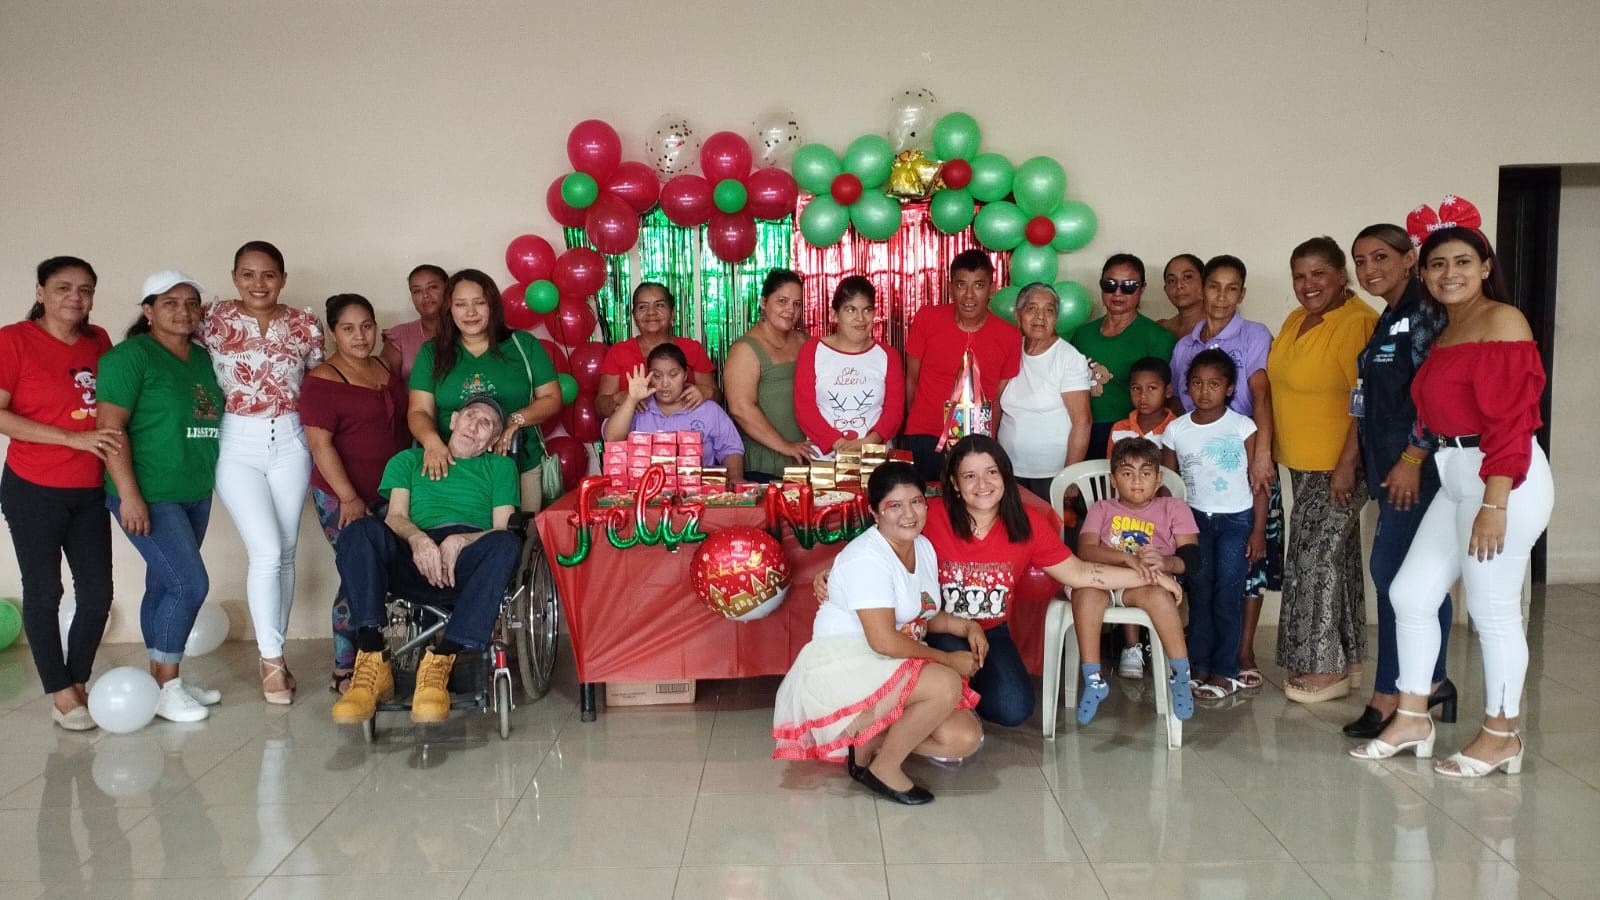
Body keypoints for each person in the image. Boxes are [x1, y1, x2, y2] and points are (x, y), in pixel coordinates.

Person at [1350, 226, 1553, 778]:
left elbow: (1512, 422)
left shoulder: (1504, 322)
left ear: (1485, 267)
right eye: (1438, 265)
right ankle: (1413, 716)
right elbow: (1433, 414)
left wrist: (1495, 504)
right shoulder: (1445, 329)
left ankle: (1501, 735)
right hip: (1456, 472)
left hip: (1503, 478)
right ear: (1424, 272)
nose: (1450, 274)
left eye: (1463, 262)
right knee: (1410, 593)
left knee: (1492, 611)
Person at [920, 435, 1183, 726]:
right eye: (970, 476)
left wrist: (1153, 578)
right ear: (955, 483)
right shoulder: (931, 518)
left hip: (992, 630)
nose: (983, 484)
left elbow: (1079, 573)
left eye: (991, 472)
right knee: (949, 672)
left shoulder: (1026, 521)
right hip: (939, 628)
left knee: (1014, 709)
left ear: (1005, 475)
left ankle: (961, 694)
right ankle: (947, 699)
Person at [772, 461, 985, 806]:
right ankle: (884, 767)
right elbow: (883, 640)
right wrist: (949, 660)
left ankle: (866, 738)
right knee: (945, 682)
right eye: (894, 505)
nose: (909, 514)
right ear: (874, 512)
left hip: (890, 660)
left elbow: (924, 614)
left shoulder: (923, 547)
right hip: (850, 663)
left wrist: (968, 626)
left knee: (964, 737)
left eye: (916, 502)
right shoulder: (866, 558)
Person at [331, 396, 524, 725]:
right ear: (453, 421)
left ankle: (441, 662)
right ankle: (372, 657)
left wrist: (461, 540)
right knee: (358, 532)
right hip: (412, 555)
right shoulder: (408, 460)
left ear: (493, 440)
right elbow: (395, 517)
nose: (474, 426)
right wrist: (419, 540)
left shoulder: (500, 467)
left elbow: (501, 527)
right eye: (470, 416)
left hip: (469, 560)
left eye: (486, 424)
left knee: (507, 543)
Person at [1343, 224, 1456, 739]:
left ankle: (1392, 689)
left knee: (1391, 573)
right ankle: (1433, 680)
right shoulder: (1390, 316)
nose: (1369, 270)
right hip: (1389, 466)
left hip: (1418, 470)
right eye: (1361, 261)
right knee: (1418, 578)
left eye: (1380, 257)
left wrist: (1412, 457)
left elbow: (1437, 394)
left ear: (1410, 258)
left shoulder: (1427, 312)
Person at [199, 241, 324, 705]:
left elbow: (318, 384)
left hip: (291, 439)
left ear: (283, 279)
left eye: (268, 274)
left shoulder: (306, 324)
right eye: (248, 274)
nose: (258, 283)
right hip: (237, 442)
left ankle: (276, 652)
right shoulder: (211, 319)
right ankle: (270, 662)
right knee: (267, 550)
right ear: (234, 277)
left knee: (286, 552)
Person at [98, 271, 225, 722]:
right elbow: (110, 429)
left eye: (191, 303)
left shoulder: (203, 358)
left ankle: (159, 682)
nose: (183, 311)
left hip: (194, 491)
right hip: (149, 493)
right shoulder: (130, 357)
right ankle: (169, 686)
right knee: (189, 585)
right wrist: (129, 495)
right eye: (170, 303)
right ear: (148, 311)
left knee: (163, 583)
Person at [0, 257, 119, 730]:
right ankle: (61, 692)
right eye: (63, 287)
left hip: (90, 489)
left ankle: (79, 679)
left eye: (85, 289)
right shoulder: (14, 340)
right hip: (33, 488)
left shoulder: (99, 340)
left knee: (97, 593)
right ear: (40, 292)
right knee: (45, 590)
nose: (75, 297)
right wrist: (71, 439)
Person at [1268, 237, 1379, 704]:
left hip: (1339, 464)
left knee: (1311, 559)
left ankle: (1321, 667)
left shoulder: (1358, 323)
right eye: (1299, 275)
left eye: (1318, 274)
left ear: (1341, 275)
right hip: (1304, 462)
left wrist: (1347, 464)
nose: (1308, 284)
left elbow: (1365, 399)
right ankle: (1348, 660)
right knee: (1339, 557)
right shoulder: (1297, 319)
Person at [1166, 255, 1282, 689]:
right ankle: (1202, 661)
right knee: (1203, 584)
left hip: (1245, 465)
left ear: (1242, 294)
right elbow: (1178, 407)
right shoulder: (1185, 346)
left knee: (1239, 578)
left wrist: (1263, 453)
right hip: (1199, 492)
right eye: (1213, 286)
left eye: (1232, 288)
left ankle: (1238, 656)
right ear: (1202, 289)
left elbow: (1261, 395)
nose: (1220, 297)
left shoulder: (1254, 334)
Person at [302, 294, 410, 695]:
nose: (360, 336)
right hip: (343, 495)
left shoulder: (383, 367)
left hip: (393, 491)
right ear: (334, 333)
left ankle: (382, 657)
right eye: (348, 329)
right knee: (357, 571)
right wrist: (349, 497)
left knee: (391, 567)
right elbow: (320, 445)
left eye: (366, 326)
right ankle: (346, 667)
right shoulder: (323, 380)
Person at [408, 268, 561, 511]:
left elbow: (552, 398)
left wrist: (513, 421)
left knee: (517, 532)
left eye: (479, 303)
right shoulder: (432, 352)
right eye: (460, 304)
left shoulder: (522, 345)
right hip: (453, 467)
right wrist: (432, 443)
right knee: (456, 530)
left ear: (492, 306)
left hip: (518, 464)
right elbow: (419, 411)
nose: (470, 312)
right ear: (449, 309)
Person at [1162, 350, 1267, 699]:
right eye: (1196, 383)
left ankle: (1226, 671)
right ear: (1186, 386)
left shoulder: (1243, 427)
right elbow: (1168, 486)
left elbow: (1259, 483)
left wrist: (1258, 530)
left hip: (1236, 521)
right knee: (1201, 593)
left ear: (1230, 388)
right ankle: (1199, 666)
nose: (1204, 391)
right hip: (1193, 524)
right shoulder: (1176, 430)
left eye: (1214, 384)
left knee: (1227, 596)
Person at [1070, 437, 1197, 724]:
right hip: (1102, 580)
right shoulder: (1102, 508)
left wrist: (1165, 562)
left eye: (1146, 473)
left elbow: (1192, 559)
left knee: (1160, 598)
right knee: (1084, 594)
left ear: (1158, 479)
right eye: (1127, 473)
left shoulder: (1173, 507)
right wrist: (1126, 558)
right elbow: (1086, 550)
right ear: (1113, 480)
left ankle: (1180, 673)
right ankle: (1093, 678)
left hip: (1146, 585)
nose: (1137, 481)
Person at [902, 250, 1021, 483]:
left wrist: (989, 442)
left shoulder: (1010, 336)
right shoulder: (927, 318)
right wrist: (914, 424)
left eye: (979, 285)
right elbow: (911, 379)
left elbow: (997, 397)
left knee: (972, 501)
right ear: (950, 288)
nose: (969, 295)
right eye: (960, 285)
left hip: (977, 439)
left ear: (992, 288)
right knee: (926, 500)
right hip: (924, 434)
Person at [1071, 254, 1178, 459]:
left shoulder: (1157, 337)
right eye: (1110, 285)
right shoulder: (1083, 335)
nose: (1118, 293)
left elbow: (1167, 396)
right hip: (1082, 430)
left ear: (1142, 288)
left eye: (1128, 286)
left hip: (1131, 435)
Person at [997, 282, 1092, 500]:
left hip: (1051, 473)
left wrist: (1069, 476)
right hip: (1007, 467)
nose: (1040, 317)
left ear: (1056, 318)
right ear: (1018, 315)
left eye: (1049, 310)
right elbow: (994, 403)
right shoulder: (1011, 350)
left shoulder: (1068, 358)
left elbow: (1083, 421)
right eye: (1032, 308)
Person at [793, 276, 904, 458]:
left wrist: (868, 442)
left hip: (874, 458)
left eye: (867, 310)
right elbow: (805, 408)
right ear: (834, 315)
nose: (860, 318)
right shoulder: (812, 350)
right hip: (825, 460)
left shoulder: (888, 355)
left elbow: (894, 410)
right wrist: (838, 444)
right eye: (850, 310)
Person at [601, 343, 745, 482]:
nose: (665, 383)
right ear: (649, 377)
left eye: (673, 375)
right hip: (646, 492)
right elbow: (612, 439)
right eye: (657, 376)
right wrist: (631, 400)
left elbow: (731, 449)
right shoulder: (637, 407)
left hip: (698, 493)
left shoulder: (708, 410)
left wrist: (735, 479)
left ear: (685, 374)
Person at [725, 269, 812, 481]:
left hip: (804, 463)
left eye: (797, 304)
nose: (790, 310)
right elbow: (741, 409)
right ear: (764, 302)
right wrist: (785, 446)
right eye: (782, 301)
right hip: (764, 466)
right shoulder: (744, 349)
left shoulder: (805, 341)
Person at [596, 282, 719, 419]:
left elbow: (716, 398)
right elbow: (601, 407)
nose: (651, 312)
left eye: (659, 305)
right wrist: (623, 398)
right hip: (633, 430)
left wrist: (704, 392)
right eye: (642, 307)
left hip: (685, 429)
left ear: (672, 313)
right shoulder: (618, 352)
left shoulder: (693, 348)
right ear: (634, 316)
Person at [380, 264, 447, 380]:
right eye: (417, 291)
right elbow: (386, 384)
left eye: (432, 287)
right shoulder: (399, 336)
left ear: (449, 289)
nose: (425, 295)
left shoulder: (468, 330)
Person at [1106, 357, 1177, 454]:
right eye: (1136, 388)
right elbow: (1111, 463)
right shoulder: (1119, 429)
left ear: (1168, 391)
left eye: (1151, 388)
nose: (1143, 395)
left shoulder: (1178, 428)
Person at [1157, 253, 1206, 339]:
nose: (1179, 285)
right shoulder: (1159, 329)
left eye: (1187, 277)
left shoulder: (1220, 327)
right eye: (1171, 280)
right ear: (1165, 290)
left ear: (1204, 283)